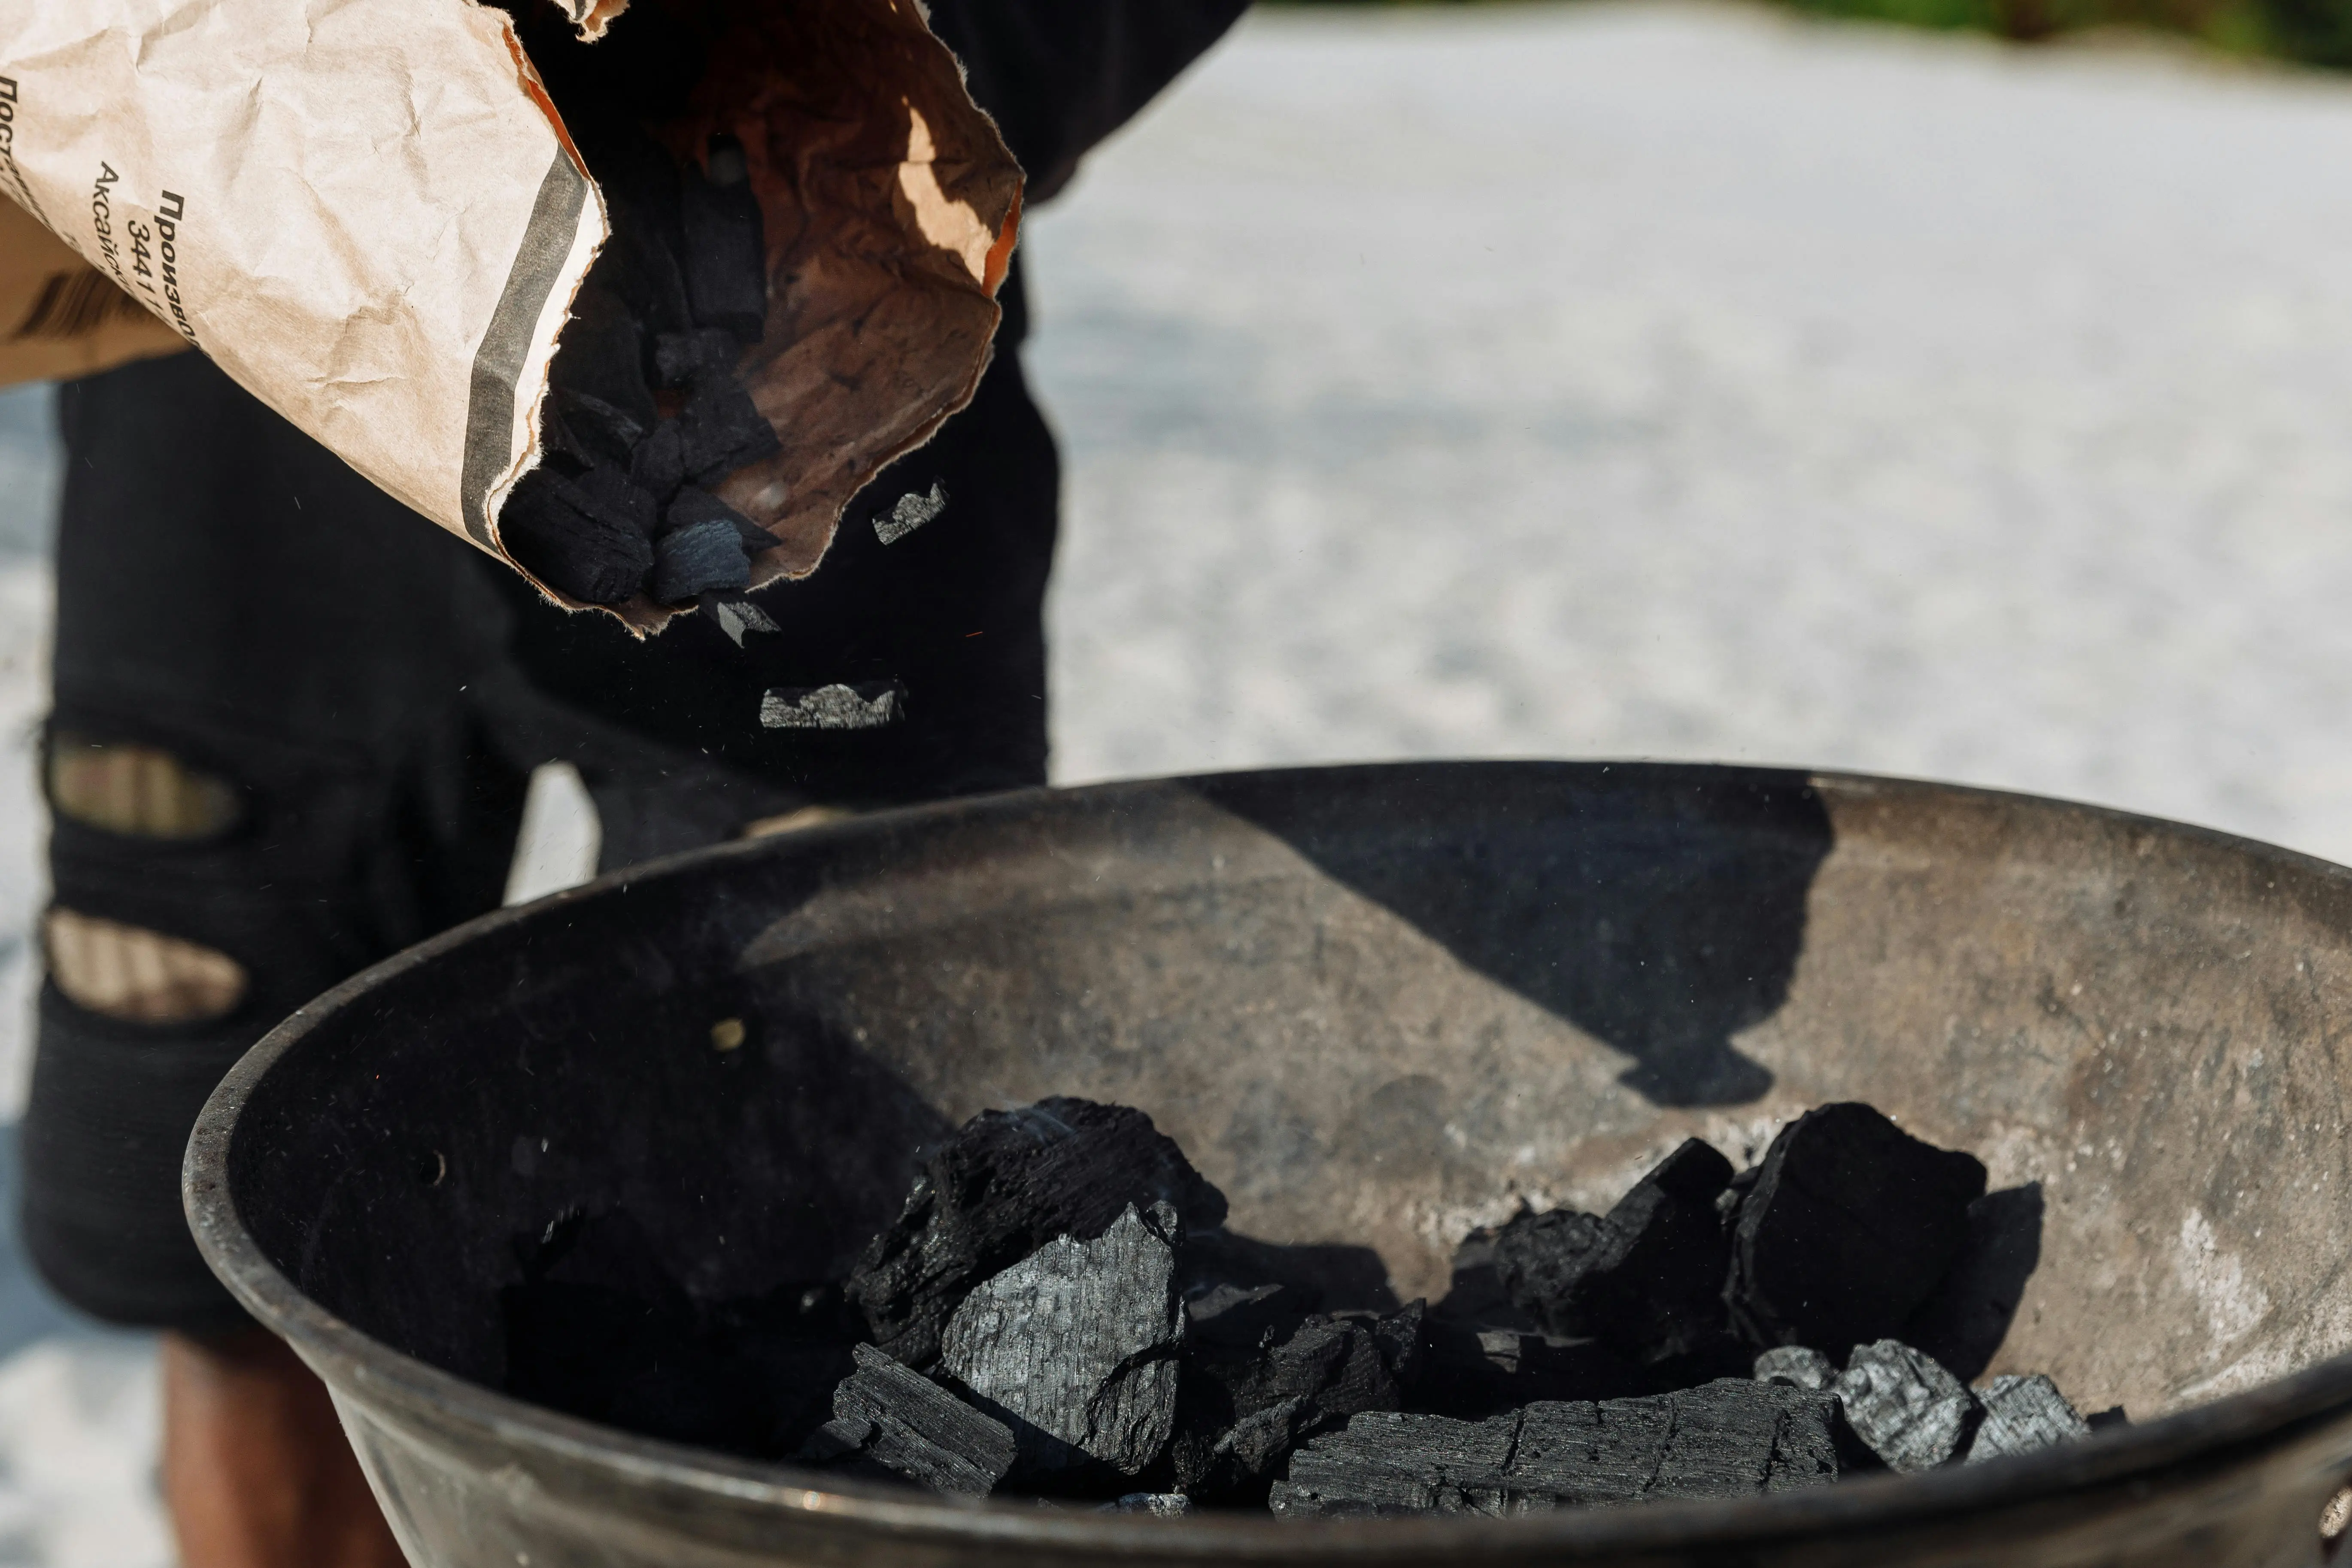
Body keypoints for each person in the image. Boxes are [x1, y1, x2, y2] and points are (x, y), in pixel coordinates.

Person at [17, 5, 1248, 1563]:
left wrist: (914, 84)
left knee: (856, 1232)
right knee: (229, 1218)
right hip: (247, 365)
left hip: (809, 370)